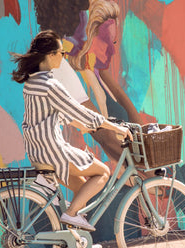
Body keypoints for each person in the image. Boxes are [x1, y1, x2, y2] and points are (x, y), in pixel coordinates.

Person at [11, 30, 132, 232]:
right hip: (53, 152)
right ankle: (70, 214)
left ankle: (74, 241)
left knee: (80, 188)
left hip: (37, 152)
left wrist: (82, 122)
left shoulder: (31, 83)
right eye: (61, 53)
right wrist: (115, 126)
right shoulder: (51, 85)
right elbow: (81, 112)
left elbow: (54, 114)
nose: (63, 57)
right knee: (103, 172)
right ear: (50, 55)